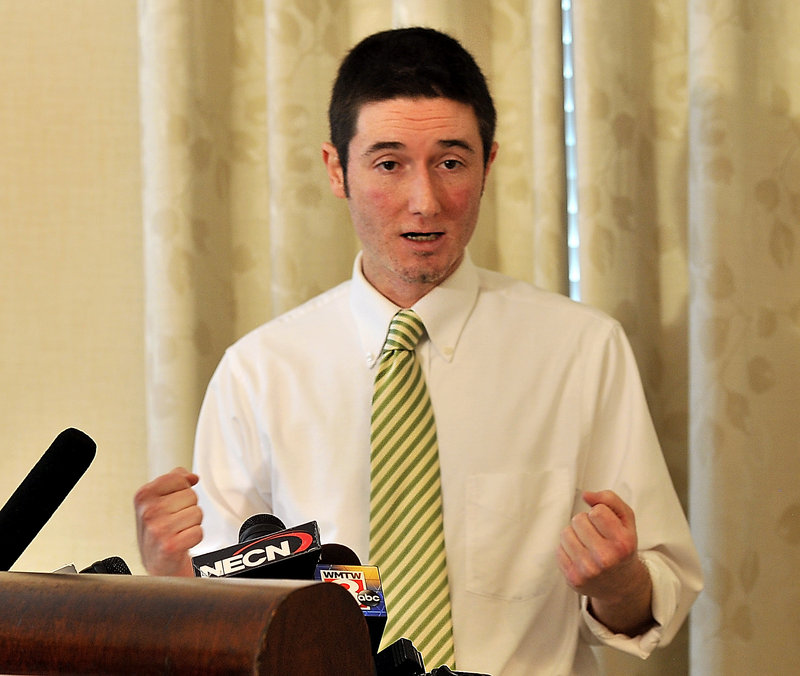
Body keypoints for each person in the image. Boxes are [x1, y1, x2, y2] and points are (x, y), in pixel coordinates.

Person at [134, 27, 702, 676]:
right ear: (335, 169)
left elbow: (656, 600)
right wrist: (169, 583)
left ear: (489, 164)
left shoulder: (582, 351)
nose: (423, 201)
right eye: (388, 163)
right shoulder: (258, 374)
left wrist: (617, 581)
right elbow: (225, 627)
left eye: (451, 162)